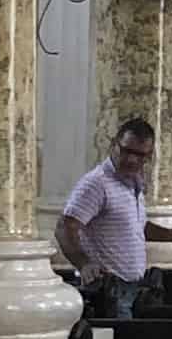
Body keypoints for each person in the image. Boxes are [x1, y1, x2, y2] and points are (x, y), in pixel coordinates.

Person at [53, 115, 159, 324]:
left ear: (148, 156)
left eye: (140, 155)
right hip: (109, 292)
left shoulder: (133, 183)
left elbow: (135, 227)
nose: (131, 160)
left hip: (133, 290)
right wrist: (83, 264)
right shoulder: (97, 183)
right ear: (114, 144)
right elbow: (64, 227)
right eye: (126, 151)